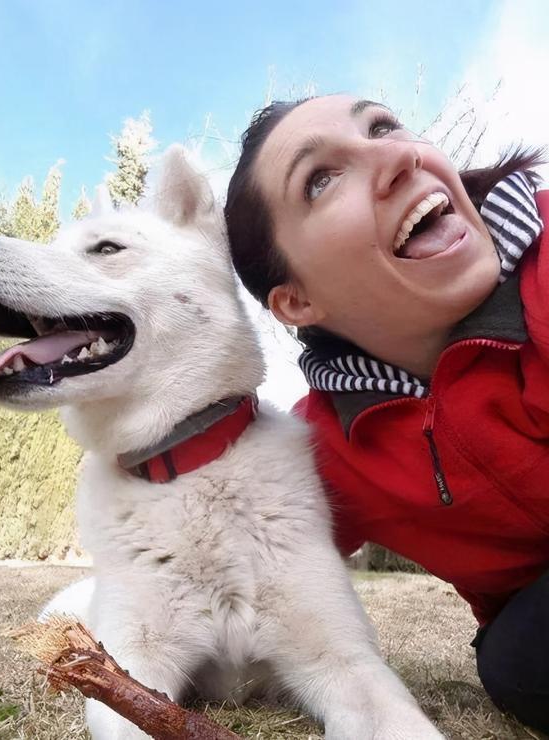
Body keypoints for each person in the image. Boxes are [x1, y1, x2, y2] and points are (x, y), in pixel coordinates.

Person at [224, 94, 549, 733]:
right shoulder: (324, 448)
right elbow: (242, 567)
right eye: (320, 179)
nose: (399, 155)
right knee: (519, 662)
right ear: (295, 301)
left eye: (384, 126)